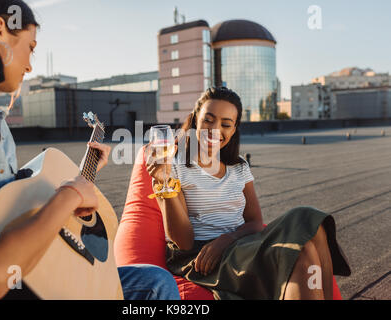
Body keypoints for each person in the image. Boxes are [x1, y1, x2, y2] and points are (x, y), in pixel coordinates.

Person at [0, 0, 179, 300]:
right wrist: (71, 195)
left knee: (155, 282)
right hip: (6, 284)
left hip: (32, 269)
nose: (29, 65)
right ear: (0, 31)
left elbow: (12, 209)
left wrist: (84, 176)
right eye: (30, 47)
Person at [146, 87, 351, 300]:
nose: (215, 130)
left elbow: (254, 222)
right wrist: (165, 184)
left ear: (234, 129)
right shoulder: (173, 165)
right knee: (301, 244)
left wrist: (227, 239)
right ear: (196, 119)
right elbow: (184, 243)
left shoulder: (239, 166)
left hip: (239, 245)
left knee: (309, 225)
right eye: (208, 120)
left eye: (226, 124)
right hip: (200, 256)